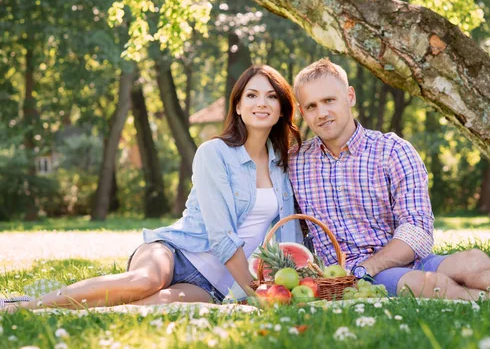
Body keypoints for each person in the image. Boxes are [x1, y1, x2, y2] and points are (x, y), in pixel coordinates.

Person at [4, 65, 303, 311]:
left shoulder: (285, 165)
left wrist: (291, 283)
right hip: (176, 252)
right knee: (142, 283)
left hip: (215, 284)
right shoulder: (215, 153)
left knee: (134, 308)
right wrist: (258, 294)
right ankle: (24, 308)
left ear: (281, 109)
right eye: (251, 95)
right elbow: (222, 237)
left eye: (271, 97)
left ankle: (51, 307)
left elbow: (288, 235)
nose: (261, 103)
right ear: (238, 106)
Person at [288, 58, 490, 300]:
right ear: (302, 111)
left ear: (349, 96)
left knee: (470, 260)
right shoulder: (295, 162)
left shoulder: (393, 151)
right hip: (347, 276)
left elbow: (417, 230)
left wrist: (369, 265)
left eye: (329, 100)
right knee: (425, 284)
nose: (322, 113)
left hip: (398, 257)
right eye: (312, 106)